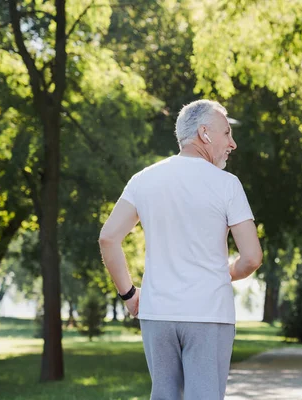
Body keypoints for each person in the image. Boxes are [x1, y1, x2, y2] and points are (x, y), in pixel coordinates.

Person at [98, 99, 262, 400]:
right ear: (205, 134)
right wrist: (227, 272)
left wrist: (130, 295)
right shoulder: (227, 184)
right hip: (208, 311)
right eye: (227, 133)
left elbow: (108, 238)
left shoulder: (143, 180)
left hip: (158, 312)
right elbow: (252, 257)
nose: (233, 144)